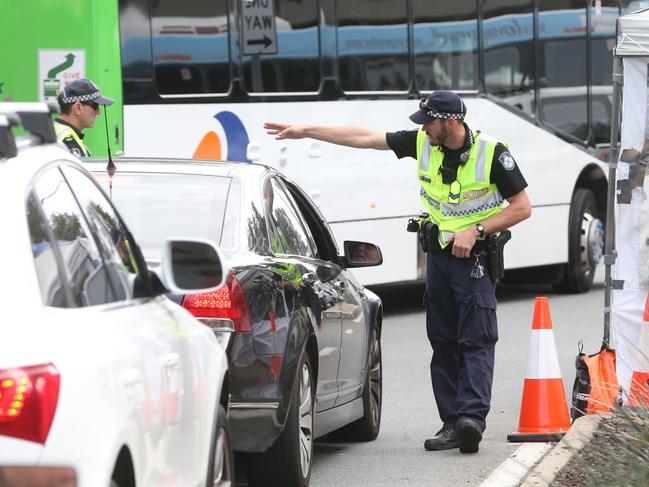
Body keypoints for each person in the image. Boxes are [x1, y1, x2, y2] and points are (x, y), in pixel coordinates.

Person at [264, 90, 532, 454]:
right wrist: (306, 130)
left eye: (429, 122)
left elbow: (522, 207)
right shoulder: (424, 142)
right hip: (439, 257)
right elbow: (364, 137)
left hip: (476, 260)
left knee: (476, 338)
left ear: (449, 121)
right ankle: (452, 423)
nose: (423, 129)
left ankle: (471, 418)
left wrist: (478, 230)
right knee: (443, 339)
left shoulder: (492, 153)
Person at [54, 79, 114, 157]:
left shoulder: (54, 132)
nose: (99, 112)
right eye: (95, 106)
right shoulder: (68, 143)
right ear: (78, 108)